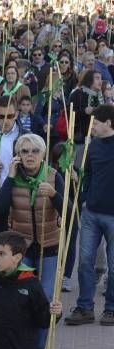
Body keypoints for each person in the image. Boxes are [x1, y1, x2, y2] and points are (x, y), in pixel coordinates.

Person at [0, 134, 66, 349]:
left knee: (44, 299)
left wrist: (54, 195)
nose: (30, 156)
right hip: (21, 251)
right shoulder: (13, 179)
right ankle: (21, 346)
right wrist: (10, 178)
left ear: (43, 154)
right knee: (20, 298)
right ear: (17, 155)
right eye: (24, 151)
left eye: (35, 151)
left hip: (49, 247)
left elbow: (70, 212)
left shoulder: (53, 177)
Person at [66, 104, 114, 326]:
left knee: (113, 265)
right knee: (85, 262)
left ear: (109, 124)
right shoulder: (92, 146)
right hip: (91, 213)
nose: (92, 126)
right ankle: (85, 307)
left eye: (96, 123)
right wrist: (83, 197)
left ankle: (111, 309)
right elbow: (88, 176)